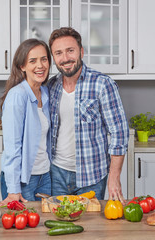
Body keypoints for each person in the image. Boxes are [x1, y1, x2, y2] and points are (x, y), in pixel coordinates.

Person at [48, 27, 129, 203]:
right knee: (59, 223)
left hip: (92, 175)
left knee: (90, 227)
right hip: (56, 173)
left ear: (81, 52)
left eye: (70, 51)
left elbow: (119, 133)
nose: (65, 58)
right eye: (58, 53)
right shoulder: (51, 86)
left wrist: (114, 176)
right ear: (53, 58)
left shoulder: (102, 84)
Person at [0, 39, 52, 206]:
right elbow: (12, 146)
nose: (40, 65)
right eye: (32, 61)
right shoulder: (17, 96)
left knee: (44, 228)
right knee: (22, 231)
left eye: (44, 59)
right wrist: (13, 189)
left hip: (45, 176)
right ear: (22, 66)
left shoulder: (44, 92)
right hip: (23, 180)